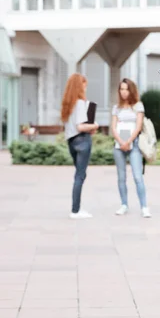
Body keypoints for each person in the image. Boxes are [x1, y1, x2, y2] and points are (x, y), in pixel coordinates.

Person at [111, 78, 151, 218]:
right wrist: (121, 142)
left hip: (133, 145)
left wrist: (128, 141)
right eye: (121, 89)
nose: (123, 92)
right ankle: (124, 204)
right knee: (121, 177)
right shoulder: (116, 108)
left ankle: (144, 206)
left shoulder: (138, 106)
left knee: (137, 176)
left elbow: (139, 126)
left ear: (131, 90)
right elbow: (113, 127)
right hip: (118, 146)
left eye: (126, 89)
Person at [61, 73, 98, 219]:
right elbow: (81, 127)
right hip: (82, 140)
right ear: (79, 86)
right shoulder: (81, 103)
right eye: (84, 85)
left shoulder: (67, 105)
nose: (85, 88)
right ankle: (75, 210)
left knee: (79, 175)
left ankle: (76, 207)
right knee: (80, 176)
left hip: (71, 141)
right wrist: (94, 125)